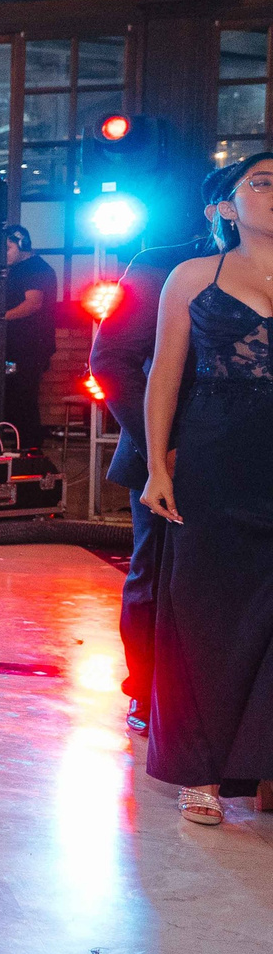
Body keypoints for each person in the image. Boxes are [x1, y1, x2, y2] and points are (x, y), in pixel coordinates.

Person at [140, 150, 273, 827]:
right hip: (216, 457)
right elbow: (164, 374)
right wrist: (157, 467)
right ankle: (200, 772)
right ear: (225, 206)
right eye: (263, 183)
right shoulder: (194, 275)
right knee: (205, 613)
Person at [88, 165, 240, 733]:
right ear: (220, 209)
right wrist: (162, 448)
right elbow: (111, 361)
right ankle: (147, 692)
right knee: (159, 575)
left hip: (251, 448)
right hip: (172, 446)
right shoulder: (161, 264)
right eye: (263, 185)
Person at [2, 222, 58, 451]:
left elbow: (33, 304)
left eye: (7, 248)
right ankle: (19, 446)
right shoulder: (18, 269)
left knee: (24, 397)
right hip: (17, 346)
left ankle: (30, 449)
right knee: (13, 395)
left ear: (22, 244)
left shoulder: (36, 269)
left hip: (31, 347)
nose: (3, 254)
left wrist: (0, 317)